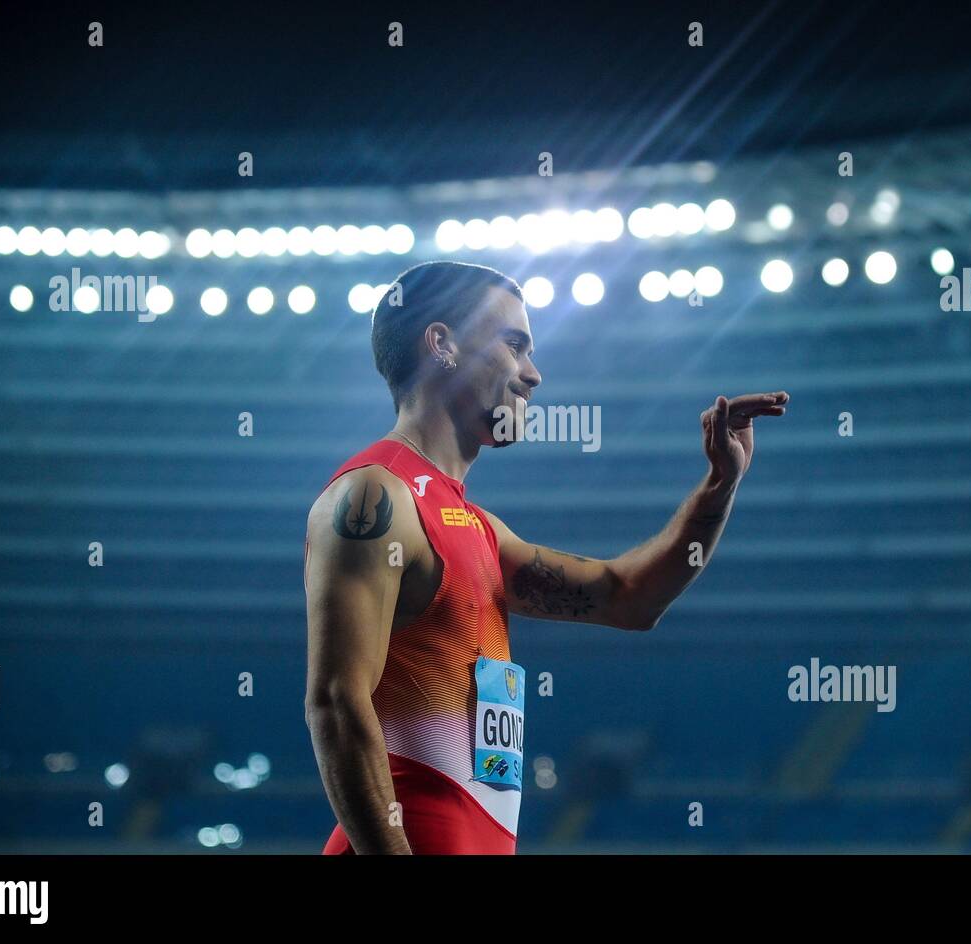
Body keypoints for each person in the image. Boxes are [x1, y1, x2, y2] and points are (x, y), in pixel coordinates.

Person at [304, 261, 788, 853]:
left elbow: (628, 598)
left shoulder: (477, 529)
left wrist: (718, 488)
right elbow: (335, 701)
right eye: (514, 345)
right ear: (442, 344)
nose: (534, 375)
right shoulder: (375, 498)